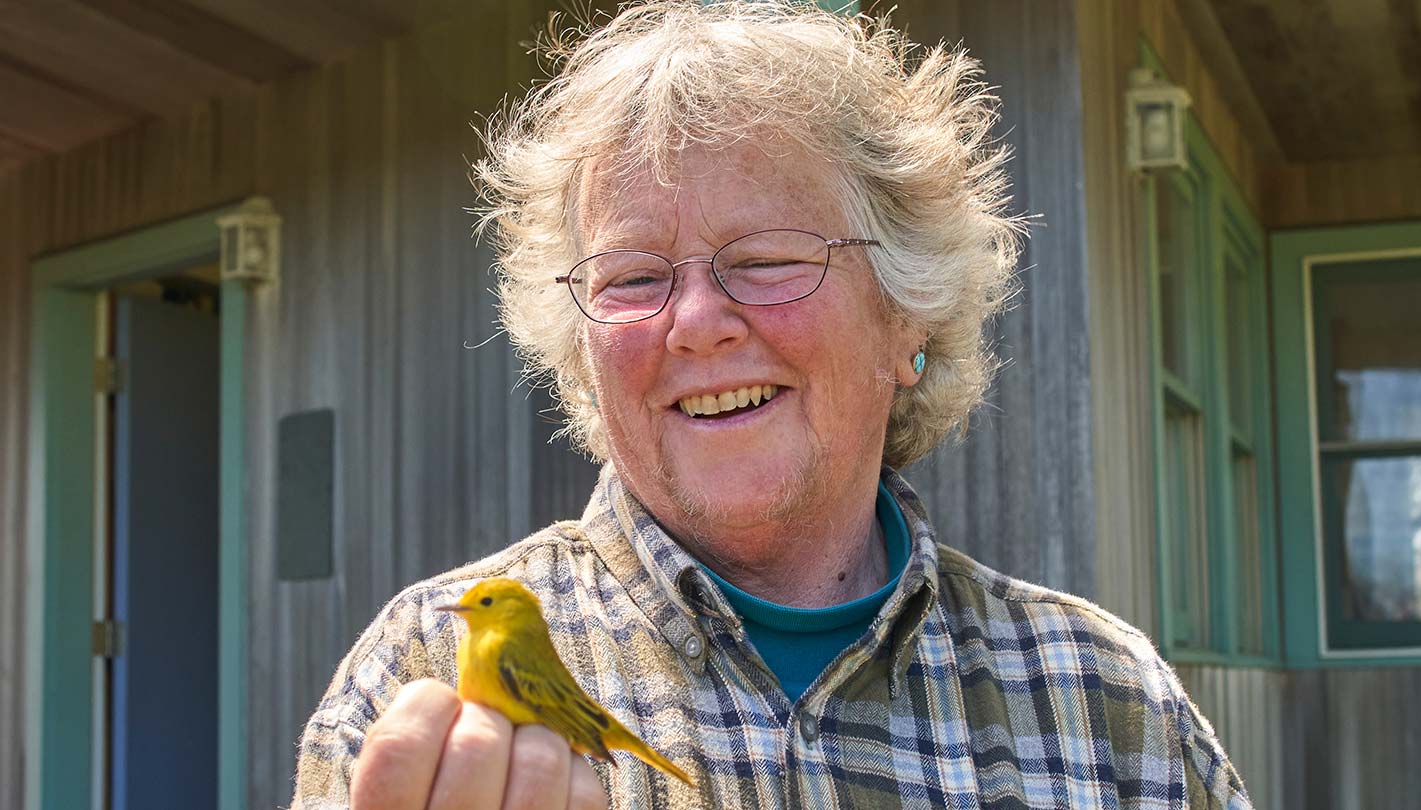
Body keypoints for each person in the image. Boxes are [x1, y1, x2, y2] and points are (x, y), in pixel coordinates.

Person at [292, 2, 1252, 808]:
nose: (699, 322)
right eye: (633, 278)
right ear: (584, 355)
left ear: (906, 318)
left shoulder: (1107, 705)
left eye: (768, 261)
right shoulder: (418, 675)